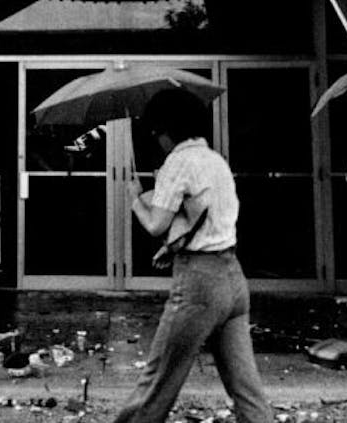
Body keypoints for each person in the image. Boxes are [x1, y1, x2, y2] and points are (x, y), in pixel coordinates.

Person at [113, 87, 271, 423]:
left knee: (157, 381)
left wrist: (135, 199)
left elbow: (156, 224)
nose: (157, 140)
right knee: (246, 388)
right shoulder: (216, 161)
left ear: (167, 131)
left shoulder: (178, 162)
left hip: (199, 284)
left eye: (157, 133)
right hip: (233, 278)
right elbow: (203, 218)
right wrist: (173, 247)